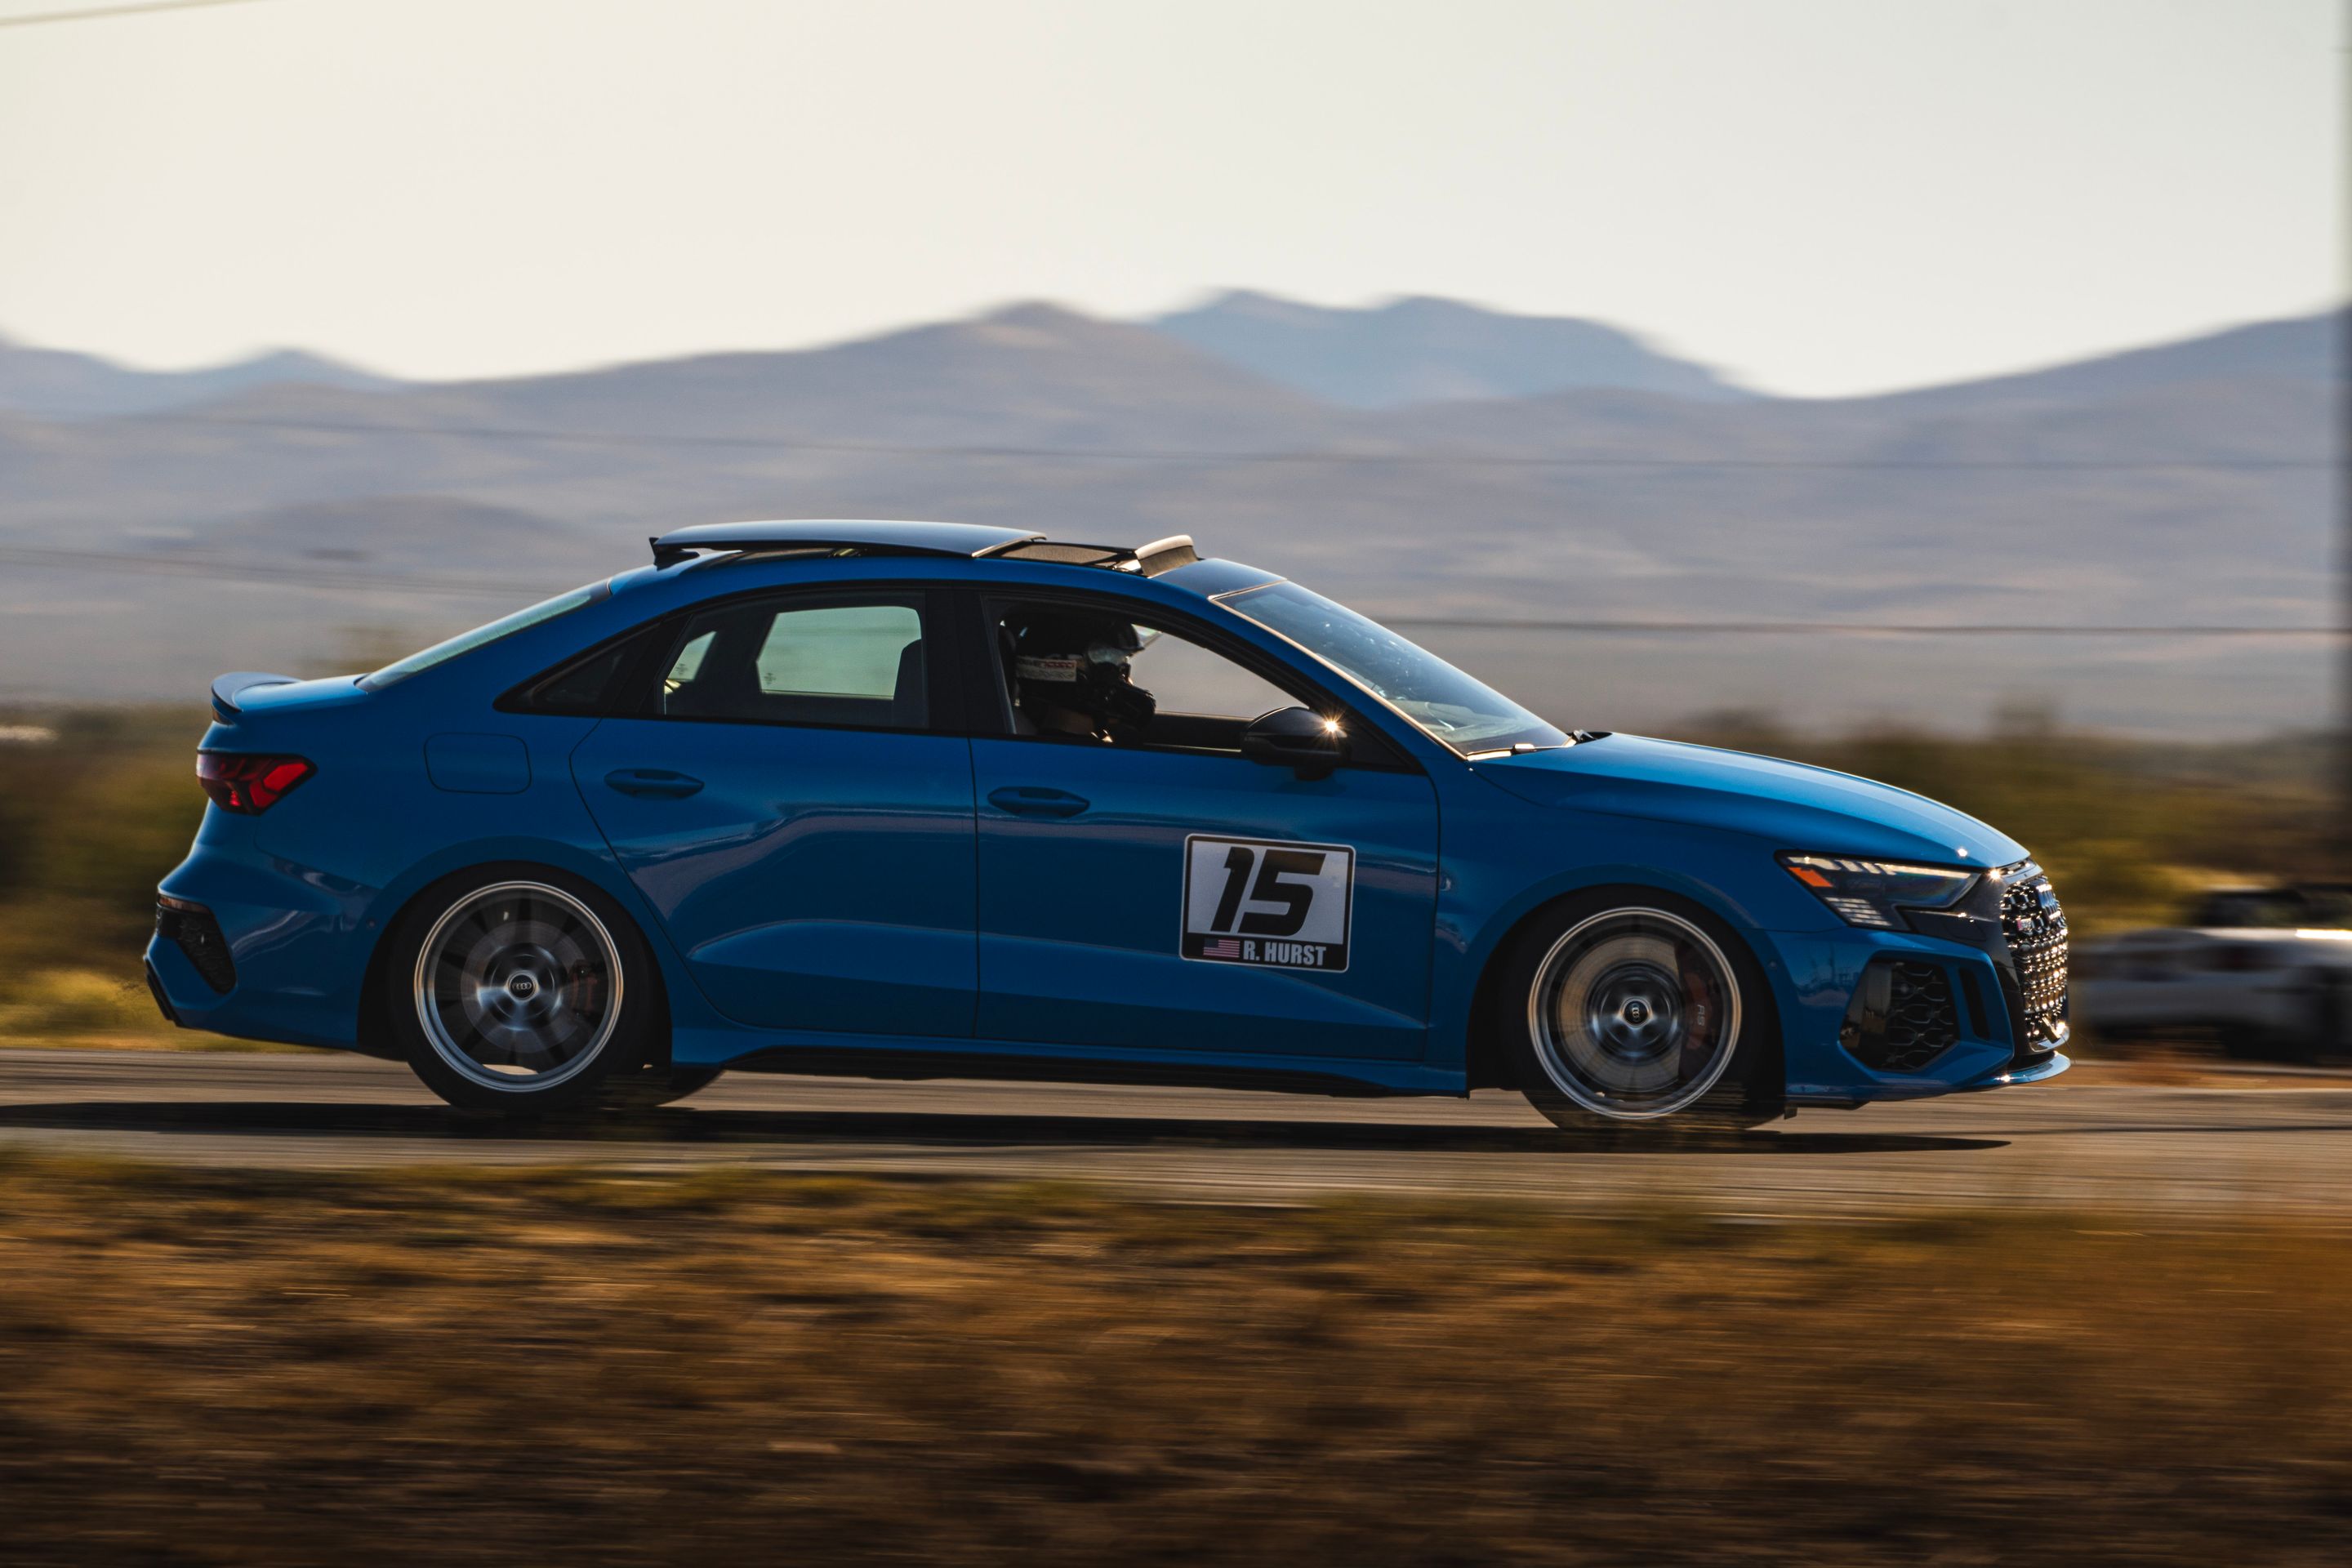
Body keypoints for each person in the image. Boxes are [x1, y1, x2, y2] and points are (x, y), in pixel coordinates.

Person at [1005, 610, 1156, 741]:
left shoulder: (1085, 746)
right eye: (1108, 658)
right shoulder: (1071, 757)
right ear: (1056, 667)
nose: (1122, 677)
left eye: (1122, 660)